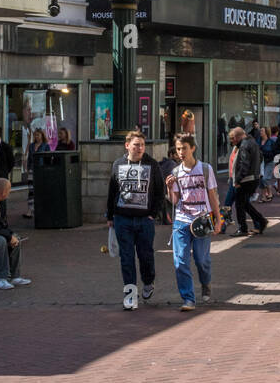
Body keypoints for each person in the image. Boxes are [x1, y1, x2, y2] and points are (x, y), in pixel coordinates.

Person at [106, 130, 165, 309]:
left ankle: (148, 281)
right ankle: (130, 297)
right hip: (122, 219)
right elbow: (112, 191)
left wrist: (152, 214)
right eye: (136, 145)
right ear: (127, 146)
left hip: (144, 221)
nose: (140, 148)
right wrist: (110, 215)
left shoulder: (152, 164)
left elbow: (159, 192)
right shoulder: (118, 164)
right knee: (127, 259)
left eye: (142, 145)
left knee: (146, 256)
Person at [165, 133, 221, 311]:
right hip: (181, 220)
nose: (181, 152)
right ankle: (188, 298)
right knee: (180, 261)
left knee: (201, 259)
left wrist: (218, 219)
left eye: (184, 148)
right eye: (178, 149)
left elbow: (212, 195)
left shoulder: (205, 169)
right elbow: (174, 201)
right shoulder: (175, 172)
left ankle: (206, 283)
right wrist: (168, 187)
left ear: (193, 148)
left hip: (202, 219)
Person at [229, 125, 267, 235]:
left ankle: (243, 228)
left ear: (238, 137)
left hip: (247, 179)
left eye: (233, 138)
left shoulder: (244, 145)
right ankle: (260, 221)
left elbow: (244, 164)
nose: (232, 141)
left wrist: (238, 180)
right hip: (253, 178)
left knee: (240, 203)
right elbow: (260, 157)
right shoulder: (253, 142)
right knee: (244, 203)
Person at [23, 126, 48, 218]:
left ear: (42, 136)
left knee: (40, 190)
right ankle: (30, 210)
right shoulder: (32, 146)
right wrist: (28, 168)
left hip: (41, 170)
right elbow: (29, 158)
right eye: (35, 135)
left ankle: (41, 210)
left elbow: (48, 159)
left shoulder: (45, 146)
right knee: (31, 190)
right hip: (32, 169)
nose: (36, 137)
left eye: (38, 135)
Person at [260, 126, 278, 201]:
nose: (260, 132)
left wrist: (264, 153)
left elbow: (274, 153)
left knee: (265, 178)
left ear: (266, 132)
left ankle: (270, 193)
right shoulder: (258, 140)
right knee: (261, 179)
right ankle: (263, 196)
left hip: (269, 162)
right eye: (260, 131)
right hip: (261, 163)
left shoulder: (271, 142)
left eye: (262, 131)